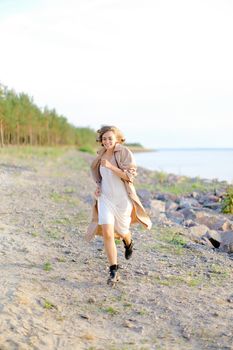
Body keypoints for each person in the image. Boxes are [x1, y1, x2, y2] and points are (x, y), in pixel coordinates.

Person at [86, 125, 152, 285]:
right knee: (108, 233)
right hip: (105, 199)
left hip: (122, 200)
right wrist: (98, 188)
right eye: (104, 138)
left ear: (117, 139)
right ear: (101, 141)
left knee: (123, 231)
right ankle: (113, 270)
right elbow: (102, 178)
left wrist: (110, 166)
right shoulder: (100, 156)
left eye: (110, 138)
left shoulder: (124, 153)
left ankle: (128, 243)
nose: (107, 141)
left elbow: (130, 176)